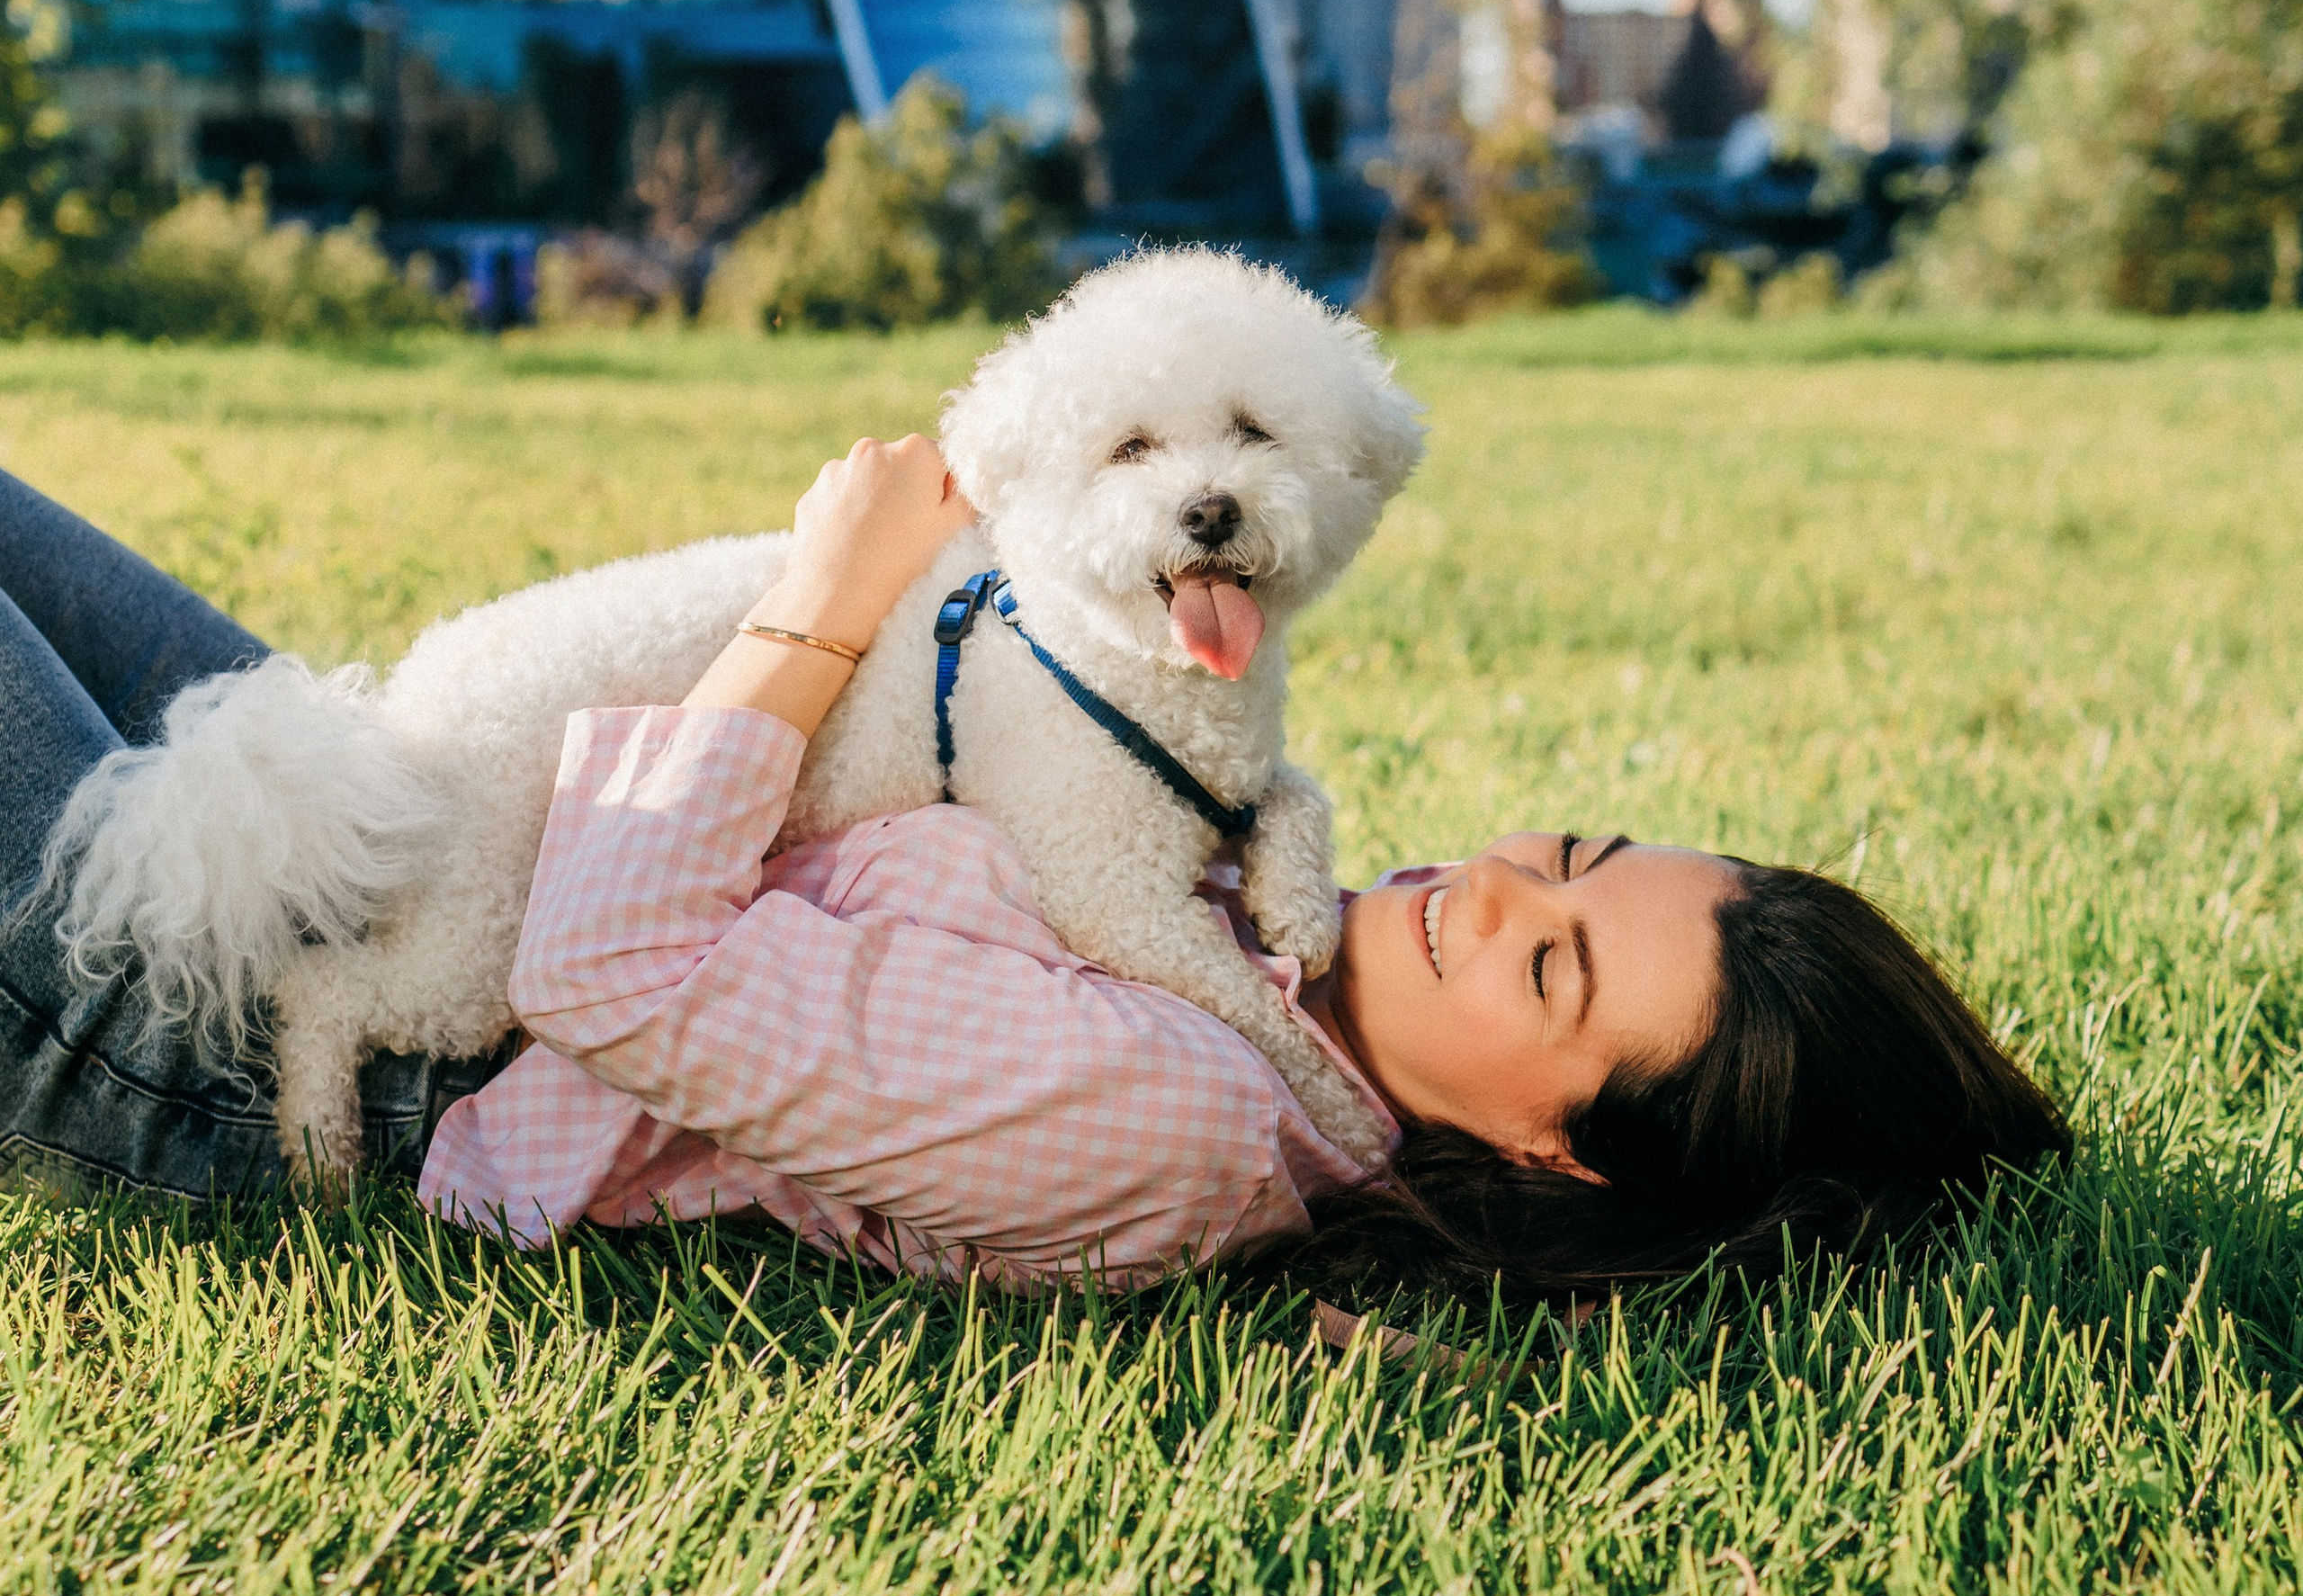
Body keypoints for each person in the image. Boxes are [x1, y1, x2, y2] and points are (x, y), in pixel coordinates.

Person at [0, 442, 2068, 1296]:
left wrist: (831, 593)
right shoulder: (1248, 926)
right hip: (373, 816)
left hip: (265, 1051)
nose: (1495, 893)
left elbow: (616, 972)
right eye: (1572, 862)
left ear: (1553, 1160)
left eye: (1551, 975)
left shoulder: (1169, 1116)